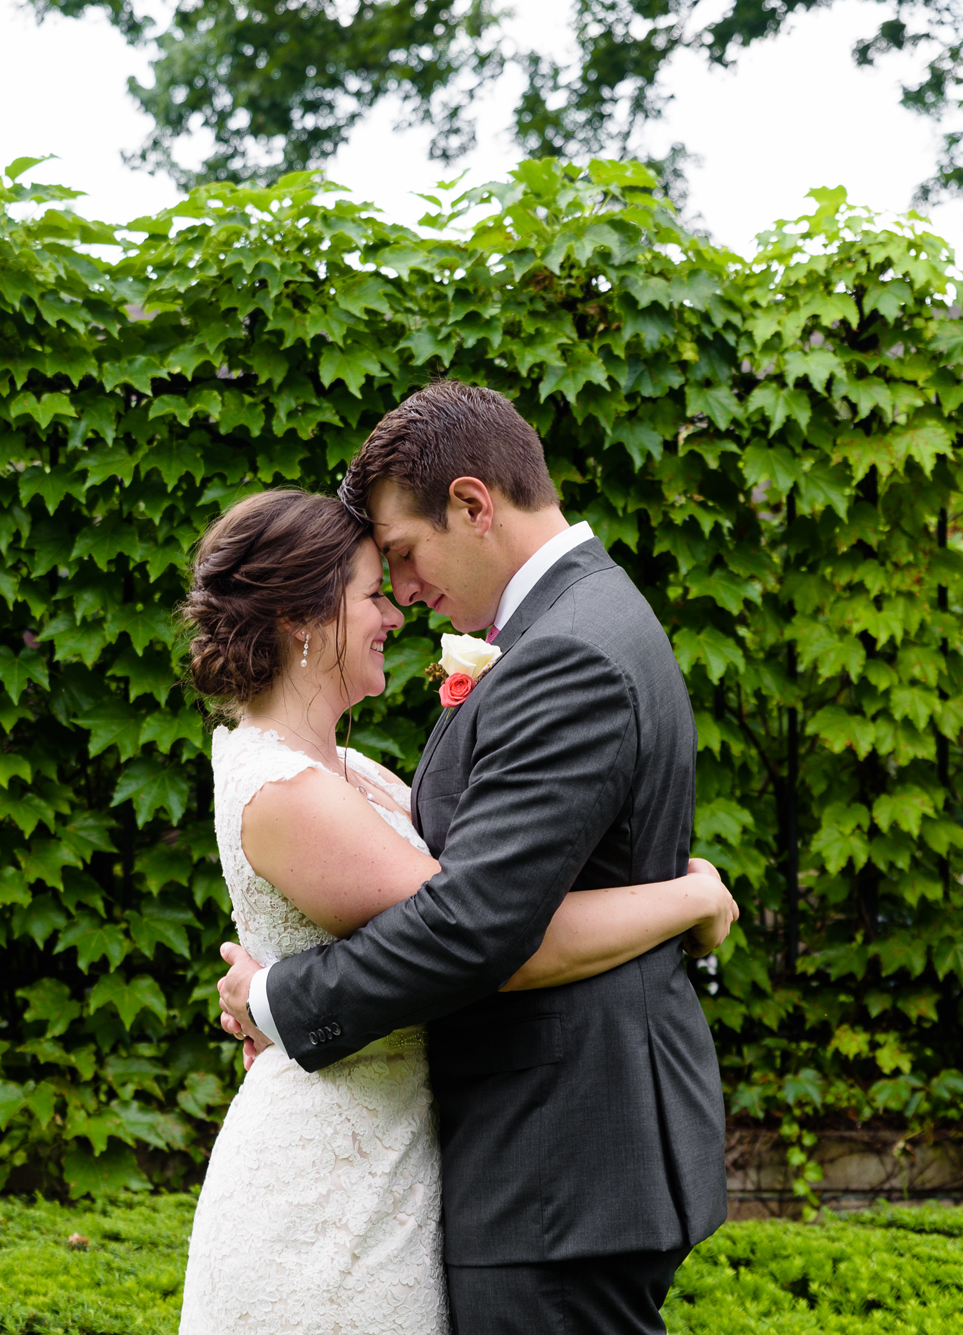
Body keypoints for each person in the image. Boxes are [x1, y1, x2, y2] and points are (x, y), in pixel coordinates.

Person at [214, 379, 731, 1335]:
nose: (404, 592)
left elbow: (478, 927)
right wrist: (683, 899)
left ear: (472, 503)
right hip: (557, 1154)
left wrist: (281, 999)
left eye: (403, 555)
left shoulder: (566, 652)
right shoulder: (577, 622)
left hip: (560, 1162)